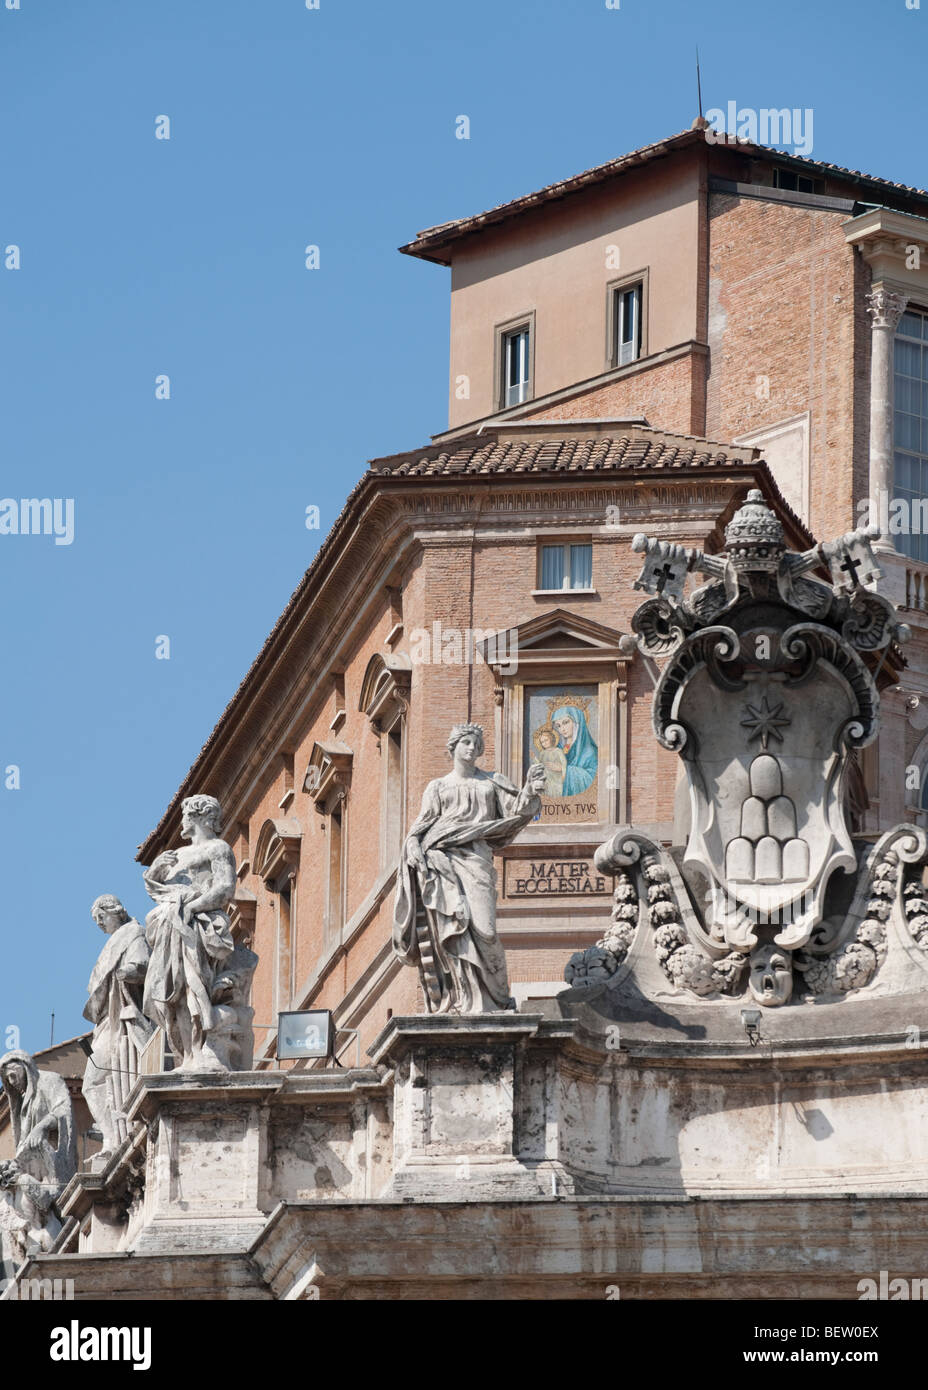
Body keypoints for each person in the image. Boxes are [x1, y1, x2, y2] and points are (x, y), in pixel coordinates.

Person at [393, 723, 545, 1013]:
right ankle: (461, 998)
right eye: (466, 742)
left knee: (485, 930)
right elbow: (421, 826)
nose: (472, 748)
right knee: (453, 925)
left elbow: (517, 811)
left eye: (476, 743)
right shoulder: (437, 787)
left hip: (477, 860)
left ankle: (494, 998)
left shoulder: (491, 782)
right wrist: (412, 846)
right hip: (441, 860)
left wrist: (529, 789)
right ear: (453, 747)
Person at [142, 793, 236, 1071]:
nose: (181, 822)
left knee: (194, 989)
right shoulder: (177, 855)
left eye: (185, 816)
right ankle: (187, 1056)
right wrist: (154, 873)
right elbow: (157, 892)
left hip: (197, 926)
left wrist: (191, 908)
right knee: (175, 995)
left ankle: (201, 1049)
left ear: (201, 816)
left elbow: (225, 888)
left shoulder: (218, 848)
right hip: (170, 927)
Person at [82, 894, 152, 1155]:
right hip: (106, 1021)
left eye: (101, 917)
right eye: (96, 921)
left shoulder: (134, 933)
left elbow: (143, 965)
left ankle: (116, 1138)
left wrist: (126, 972)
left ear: (115, 911)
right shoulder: (114, 941)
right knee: (96, 1082)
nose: (100, 924)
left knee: (95, 1081)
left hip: (122, 1016)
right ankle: (112, 1138)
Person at [0, 1051, 76, 1189]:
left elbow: (63, 1110)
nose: (12, 1081)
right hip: (32, 1167)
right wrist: (11, 1165)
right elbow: (24, 1141)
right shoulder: (23, 1101)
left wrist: (41, 1127)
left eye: (13, 1075)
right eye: (7, 1079)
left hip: (51, 1163)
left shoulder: (50, 1080)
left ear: (24, 1066)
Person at [552, 704, 598, 796]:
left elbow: (593, 779)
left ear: (577, 722)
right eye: (558, 726)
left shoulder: (590, 751)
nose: (562, 729)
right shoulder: (557, 748)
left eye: (566, 722)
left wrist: (564, 770)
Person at [534, 724, 567, 797]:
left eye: (546, 740)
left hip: (557, 780)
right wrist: (534, 758)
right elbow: (540, 765)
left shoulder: (558, 751)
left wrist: (561, 769)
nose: (544, 743)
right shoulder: (542, 753)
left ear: (551, 739)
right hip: (547, 780)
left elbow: (564, 764)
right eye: (542, 742)